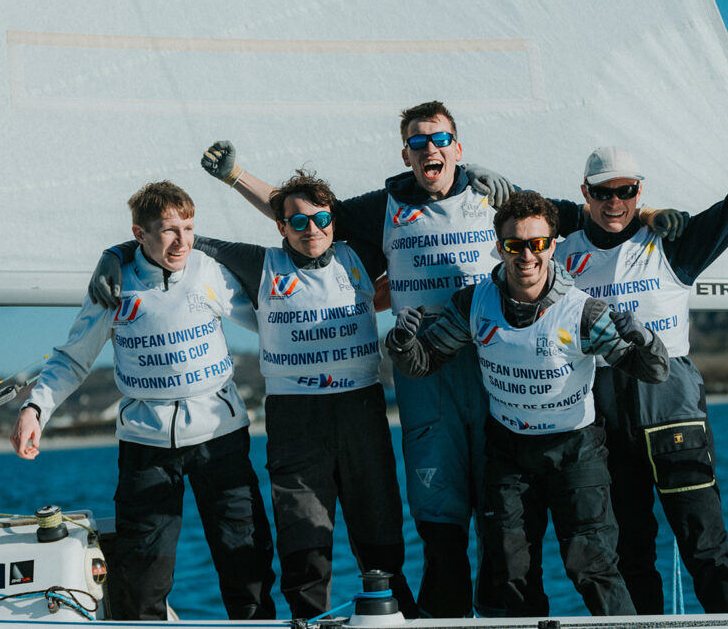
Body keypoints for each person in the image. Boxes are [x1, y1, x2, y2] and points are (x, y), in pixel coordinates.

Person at [195, 102, 684, 617]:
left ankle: (508, 618)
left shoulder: (498, 197)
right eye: (419, 141)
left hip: (496, 371)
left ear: (458, 146)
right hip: (425, 371)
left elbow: (599, 213)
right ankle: (444, 620)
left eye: (440, 139)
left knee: (503, 524)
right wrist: (234, 176)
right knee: (441, 518)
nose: (431, 148)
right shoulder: (385, 204)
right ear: (405, 152)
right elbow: (303, 214)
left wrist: (649, 215)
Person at [87, 171, 417, 620]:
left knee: (380, 538)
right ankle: (307, 621)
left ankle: (399, 617)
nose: (312, 229)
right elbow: (184, 242)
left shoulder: (359, 253)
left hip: (360, 410)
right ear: (280, 228)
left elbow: (416, 212)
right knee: (305, 546)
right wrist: (114, 254)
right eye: (297, 223)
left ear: (334, 221)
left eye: (321, 219)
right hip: (295, 420)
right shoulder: (261, 263)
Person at [553, 86, 728, 613]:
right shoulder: (560, 253)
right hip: (603, 425)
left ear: (640, 191)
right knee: (631, 555)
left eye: (626, 191)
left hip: (673, 420)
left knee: (706, 549)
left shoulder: (673, 243)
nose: (614, 202)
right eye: (603, 193)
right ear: (585, 193)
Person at [383, 191, 669, 616]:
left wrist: (647, 342)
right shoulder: (474, 303)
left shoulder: (583, 313)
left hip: (575, 450)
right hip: (510, 452)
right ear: (500, 248)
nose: (527, 256)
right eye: (515, 245)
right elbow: (422, 363)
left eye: (537, 244)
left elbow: (652, 371)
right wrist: (402, 344)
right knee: (510, 573)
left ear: (553, 245)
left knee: (590, 566)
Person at [9, 181, 275, 621]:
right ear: (139, 234)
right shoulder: (114, 286)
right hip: (146, 445)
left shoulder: (208, 270)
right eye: (169, 230)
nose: (182, 241)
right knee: (142, 574)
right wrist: (35, 407)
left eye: (188, 228)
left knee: (244, 560)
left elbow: (271, 321)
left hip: (220, 437)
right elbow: (74, 357)